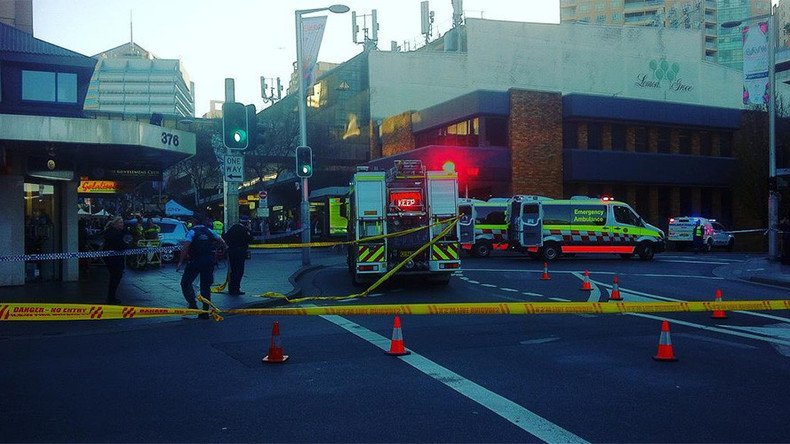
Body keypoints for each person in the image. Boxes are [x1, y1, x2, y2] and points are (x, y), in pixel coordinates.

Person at [177, 215, 227, 319]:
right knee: (205, 286)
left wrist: (181, 261)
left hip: (195, 261)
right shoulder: (209, 231)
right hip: (209, 261)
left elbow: (185, 246)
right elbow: (222, 241)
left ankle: (192, 304)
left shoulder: (192, 232)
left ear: (194, 222)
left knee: (185, 283)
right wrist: (217, 250)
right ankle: (205, 311)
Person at [102, 216, 131, 304]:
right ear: (115, 224)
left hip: (114, 258)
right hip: (113, 259)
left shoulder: (116, 232)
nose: (122, 224)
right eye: (120, 222)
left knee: (115, 277)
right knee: (115, 277)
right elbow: (120, 245)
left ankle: (111, 297)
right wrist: (127, 245)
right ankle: (111, 298)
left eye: (122, 222)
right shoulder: (114, 233)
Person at [222, 215, 254, 296]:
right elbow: (250, 239)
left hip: (231, 251)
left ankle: (231, 289)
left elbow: (225, 237)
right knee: (239, 271)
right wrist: (250, 230)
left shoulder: (233, 228)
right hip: (240, 252)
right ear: (246, 223)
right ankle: (236, 289)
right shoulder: (244, 230)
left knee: (233, 270)